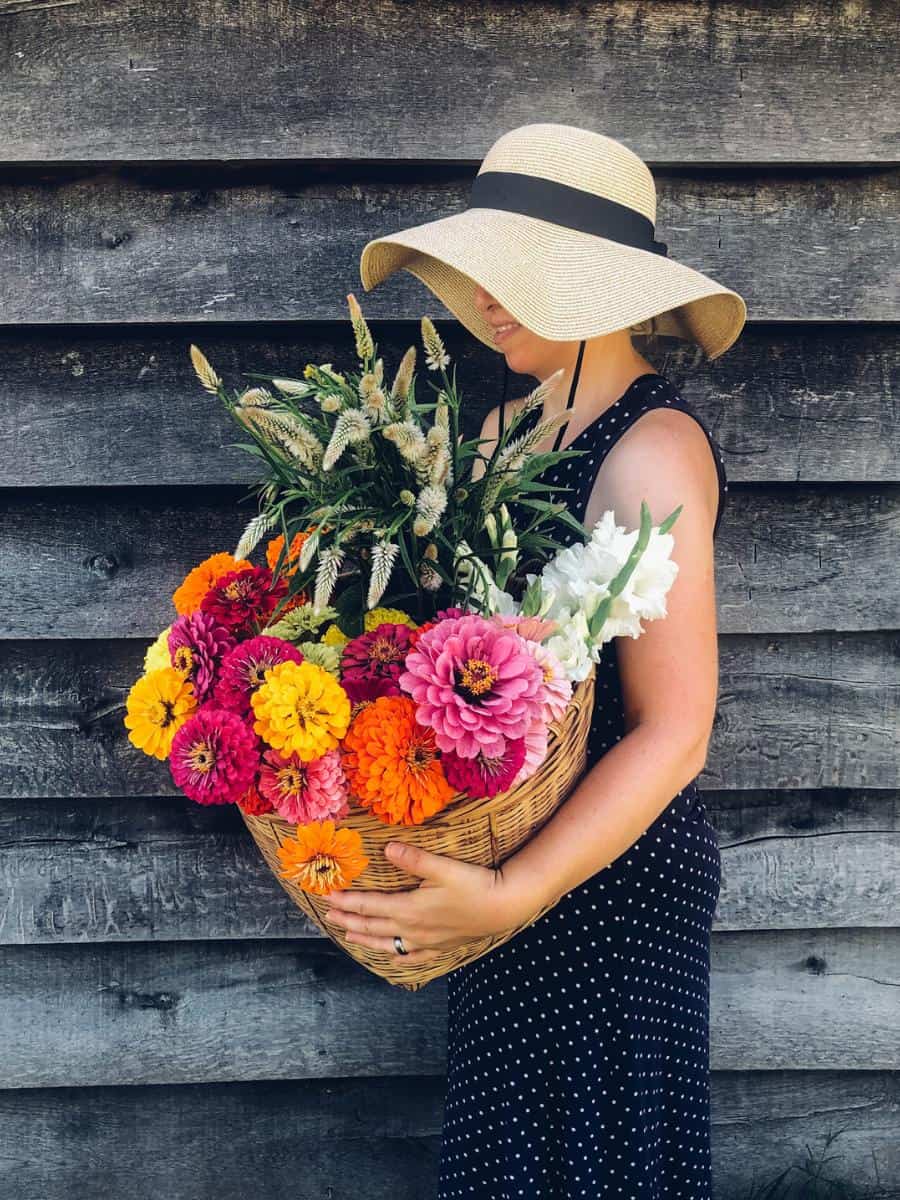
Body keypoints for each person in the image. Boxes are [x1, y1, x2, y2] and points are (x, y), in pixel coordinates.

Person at [323, 122, 747, 1198]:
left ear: (601, 285)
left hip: (602, 887)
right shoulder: (499, 428)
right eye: (479, 275)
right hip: (500, 864)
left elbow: (675, 727)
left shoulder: (650, 446)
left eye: (517, 275)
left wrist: (515, 890)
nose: (486, 301)